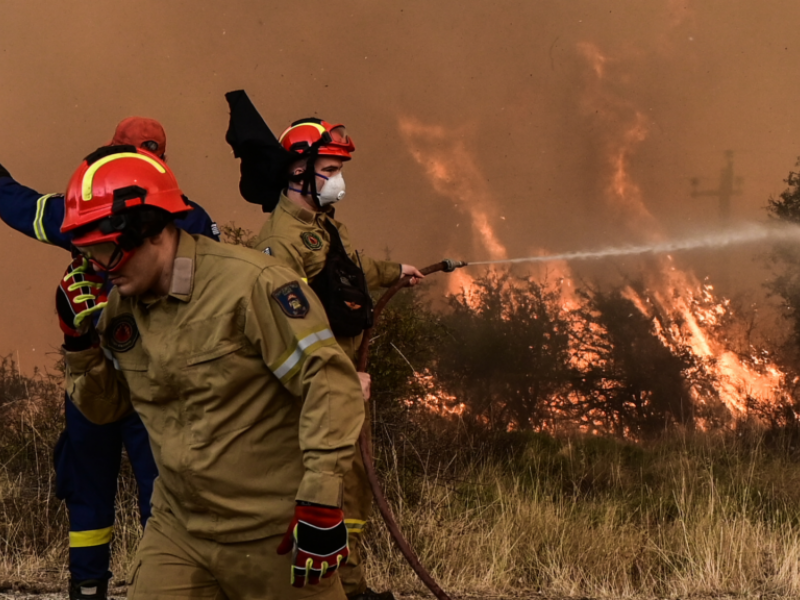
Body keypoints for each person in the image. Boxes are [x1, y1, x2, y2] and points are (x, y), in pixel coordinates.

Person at [57, 145, 365, 599]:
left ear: (151, 229)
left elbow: (330, 383)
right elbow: (107, 409)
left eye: (105, 252)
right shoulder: (121, 309)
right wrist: (78, 343)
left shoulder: (253, 285)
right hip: (178, 530)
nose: (98, 269)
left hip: (272, 532)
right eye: (88, 254)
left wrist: (321, 499)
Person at [0, 117, 219, 600]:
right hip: (117, 371)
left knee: (120, 486)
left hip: (130, 372)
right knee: (134, 484)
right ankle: (142, 583)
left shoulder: (93, 207)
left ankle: (125, 584)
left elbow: (24, 208)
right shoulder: (187, 215)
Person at [252, 117, 424, 600]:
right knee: (327, 487)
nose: (337, 179)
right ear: (298, 172)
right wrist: (341, 378)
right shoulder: (280, 242)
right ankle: (325, 588)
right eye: (329, 169)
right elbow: (285, 330)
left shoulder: (324, 226)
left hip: (344, 379)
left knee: (355, 486)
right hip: (318, 389)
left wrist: (395, 271)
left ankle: (350, 585)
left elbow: (349, 270)